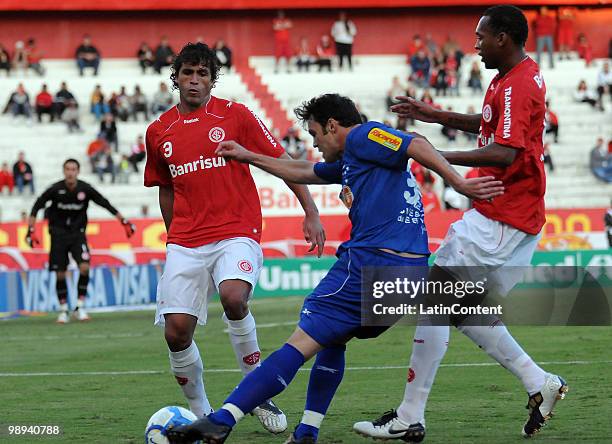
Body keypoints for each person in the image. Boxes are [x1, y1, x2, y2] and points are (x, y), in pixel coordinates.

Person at [165, 93, 503, 444]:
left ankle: (222, 418)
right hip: (408, 277)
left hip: (373, 265)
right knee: (332, 337)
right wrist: (249, 156)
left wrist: (458, 181)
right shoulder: (354, 161)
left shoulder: (362, 136)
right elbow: (303, 170)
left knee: (301, 340)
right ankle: (307, 430)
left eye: (315, 135)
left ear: (332, 125)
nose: (315, 144)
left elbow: (414, 142)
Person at [354, 6, 568, 441]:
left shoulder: (518, 85)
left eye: (481, 36)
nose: (475, 44)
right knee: (463, 310)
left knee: (435, 301)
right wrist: (434, 115)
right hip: (514, 216)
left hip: (500, 215)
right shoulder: (512, 78)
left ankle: (409, 417)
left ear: (504, 37)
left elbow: (505, 154)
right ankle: (538, 382)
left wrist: (433, 155)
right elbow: (490, 129)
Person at [143, 42, 325, 433]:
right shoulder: (158, 131)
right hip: (186, 240)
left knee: (233, 296)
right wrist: (174, 235)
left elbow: (283, 162)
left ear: (213, 79)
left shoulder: (236, 115)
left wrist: (310, 211)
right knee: (176, 332)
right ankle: (203, 415)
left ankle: (255, 389)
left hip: (235, 231)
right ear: (175, 77)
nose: (195, 81)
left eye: (203, 74)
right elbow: (165, 187)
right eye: (188, 73)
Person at [27, 159, 134, 324]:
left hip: (78, 234)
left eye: (74, 169)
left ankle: (79, 306)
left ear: (78, 171)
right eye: (68, 169)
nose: (70, 172)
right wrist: (31, 229)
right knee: (60, 273)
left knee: (84, 267)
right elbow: (37, 205)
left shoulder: (85, 188)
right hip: (58, 235)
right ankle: (63, 310)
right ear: (64, 171)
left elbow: (104, 203)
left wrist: (123, 220)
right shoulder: (56, 189)